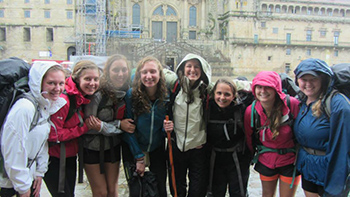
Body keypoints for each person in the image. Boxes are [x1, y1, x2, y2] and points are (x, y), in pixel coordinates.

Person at [0, 62, 66, 197]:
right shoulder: (25, 107)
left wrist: (39, 172)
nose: (57, 88)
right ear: (38, 82)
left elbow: (41, 142)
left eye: (61, 83)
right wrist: (23, 187)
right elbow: (13, 148)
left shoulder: (44, 105)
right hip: (8, 183)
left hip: (26, 178)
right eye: (51, 83)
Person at [293, 58, 350, 197]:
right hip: (309, 169)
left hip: (329, 173)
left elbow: (343, 148)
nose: (307, 84)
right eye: (303, 79)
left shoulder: (338, 104)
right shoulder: (302, 100)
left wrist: (335, 187)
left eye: (313, 79)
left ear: (323, 79)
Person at [44, 60, 101, 197]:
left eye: (96, 79)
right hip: (55, 159)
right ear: (77, 79)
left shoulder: (80, 98)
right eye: (87, 79)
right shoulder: (64, 100)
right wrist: (83, 128)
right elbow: (53, 134)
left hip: (68, 156)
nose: (92, 83)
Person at [82, 54, 135, 196]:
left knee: (112, 191)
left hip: (113, 147)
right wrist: (117, 125)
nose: (120, 74)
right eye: (116, 70)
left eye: (124, 70)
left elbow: (128, 124)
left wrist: (104, 126)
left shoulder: (127, 92)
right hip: (92, 148)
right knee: (100, 193)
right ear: (108, 72)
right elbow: (90, 125)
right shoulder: (97, 94)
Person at [244, 71, 301, 197]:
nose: (263, 91)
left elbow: (302, 132)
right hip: (266, 160)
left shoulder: (292, 105)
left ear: (276, 89)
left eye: (268, 87)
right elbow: (249, 137)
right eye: (259, 87)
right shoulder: (251, 111)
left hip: (291, 161)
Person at [122, 56, 171, 197]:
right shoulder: (131, 95)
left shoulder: (165, 96)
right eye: (144, 72)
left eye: (153, 72)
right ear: (139, 75)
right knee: (137, 190)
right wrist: (139, 158)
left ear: (160, 74)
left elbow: (163, 126)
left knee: (160, 189)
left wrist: (165, 129)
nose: (149, 76)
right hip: (135, 147)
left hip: (157, 148)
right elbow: (128, 129)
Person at [167, 53, 211, 197]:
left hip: (198, 149)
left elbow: (229, 85)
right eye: (189, 66)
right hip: (177, 146)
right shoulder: (175, 86)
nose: (193, 70)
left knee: (197, 189)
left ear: (202, 70)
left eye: (196, 67)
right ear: (183, 68)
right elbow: (156, 70)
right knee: (177, 188)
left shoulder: (206, 90)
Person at [206, 79, 251, 197]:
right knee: (215, 193)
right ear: (213, 94)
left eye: (227, 94)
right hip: (215, 160)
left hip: (237, 159)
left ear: (233, 96)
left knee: (238, 193)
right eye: (219, 93)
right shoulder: (208, 109)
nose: (222, 98)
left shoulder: (241, 110)